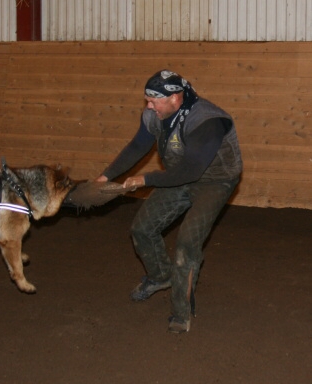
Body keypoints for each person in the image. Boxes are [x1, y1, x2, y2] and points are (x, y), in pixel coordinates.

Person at [95, 70, 242, 334]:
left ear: (175, 98)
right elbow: (138, 146)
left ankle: (181, 313)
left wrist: (145, 179)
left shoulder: (208, 121)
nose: (148, 107)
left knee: (187, 241)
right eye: (147, 101)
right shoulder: (155, 115)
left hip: (214, 181)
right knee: (142, 228)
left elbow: (192, 171)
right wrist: (105, 176)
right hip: (179, 175)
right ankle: (160, 276)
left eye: (154, 102)